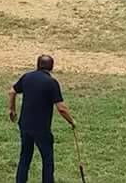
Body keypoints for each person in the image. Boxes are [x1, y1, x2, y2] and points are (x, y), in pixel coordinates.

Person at [9, 55, 76, 183]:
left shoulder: (27, 77)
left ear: (37, 65)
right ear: (52, 67)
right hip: (41, 129)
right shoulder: (51, 83)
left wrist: (12, 109)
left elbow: (12, 91)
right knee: (47, 160)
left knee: (25, 157)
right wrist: (71, 121)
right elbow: (61, 108)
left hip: (25, 125)